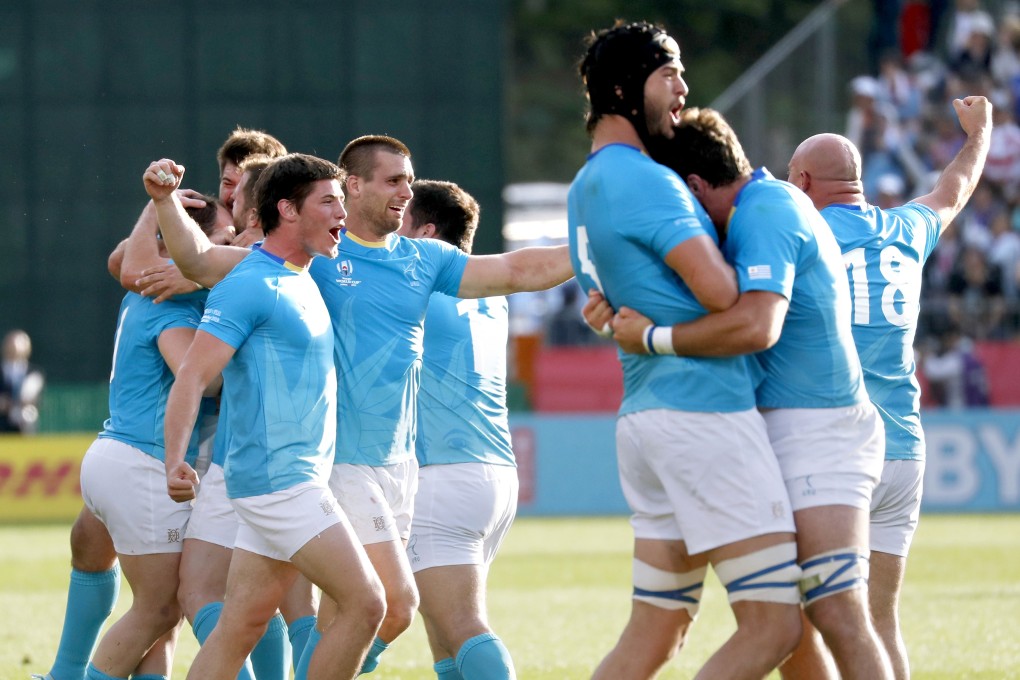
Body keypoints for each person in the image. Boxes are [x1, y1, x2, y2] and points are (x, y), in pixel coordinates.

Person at [144, 134, 573, 677]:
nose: (406, 191)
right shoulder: (316, 256)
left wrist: (591, 251)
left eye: (409, 181)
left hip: (399, 465)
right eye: (393, 180)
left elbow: (517, 270)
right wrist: (165, 206)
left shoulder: (422, 259)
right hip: (336, 465)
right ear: (355, 185)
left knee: (253, 621)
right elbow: (203, 261)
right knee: (389, 604)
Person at [588, 106, 893, 680]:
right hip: (773, 423)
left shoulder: (768, 209)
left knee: (834, 607)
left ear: (696, 185)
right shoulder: (749, 212)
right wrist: (614, 311)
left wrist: (652, 338)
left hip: (821, 426)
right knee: (787, 623)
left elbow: (757, 326)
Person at [569, 22, 802, 680]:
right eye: (668, 71)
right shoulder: (646, 179)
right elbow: (723, 294)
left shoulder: (584, 184)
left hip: (645, 416)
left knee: (656, 632)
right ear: (623, 88)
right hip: (704, 412)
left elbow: (609, 301)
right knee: (775, 626)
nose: (683, 88)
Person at [155, 153, 386, 680]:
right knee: (366, 602)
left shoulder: (301, 276)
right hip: (280, 484)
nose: (342, 214)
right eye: (329, 202)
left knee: (240, 625)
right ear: (287, 209)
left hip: (286, 480)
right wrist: (174, 460)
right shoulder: (250, 282)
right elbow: (192, 376)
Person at [786, 93, 992, 679]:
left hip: (838, 449)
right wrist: (979, 134)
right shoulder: (905, 227)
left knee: (804, 622)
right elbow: (954, 189)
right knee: (880, 620)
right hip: (904, 448)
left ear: (804, 181)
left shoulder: (802, 234)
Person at [31, 198, 233, 680]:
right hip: (144, 465)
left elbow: (124, 261)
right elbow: (203, 380)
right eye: (221, 241)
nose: (228, 251)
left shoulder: (149, 287)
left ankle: (65, 672)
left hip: (117, 454)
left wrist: (157, 206)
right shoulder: (175, 300)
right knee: (160, 609)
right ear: (179, 246)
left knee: (163, 616)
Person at [396, 179, 519, 679]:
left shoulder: (417, 286)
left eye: (400, 220)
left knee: (462, 625)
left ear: (426, 234)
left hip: (442, 474)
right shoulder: (492, 294)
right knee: (444, 637)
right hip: (494, 471)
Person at [0, 329, 45, 433]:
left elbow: (34, 399)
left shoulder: (33, 373)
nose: (14, 347)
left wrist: (23, 403)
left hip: (24, 420)